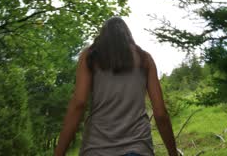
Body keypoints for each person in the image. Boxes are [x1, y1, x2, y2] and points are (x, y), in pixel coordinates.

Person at [54, 17, 179, 156]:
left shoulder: (90, 56)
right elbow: (161, 113)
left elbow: (79, 104)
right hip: (138, 148)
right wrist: (173, 153)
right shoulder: (145, 59)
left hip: (96, 149)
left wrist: (59, 153)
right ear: (128, 35)